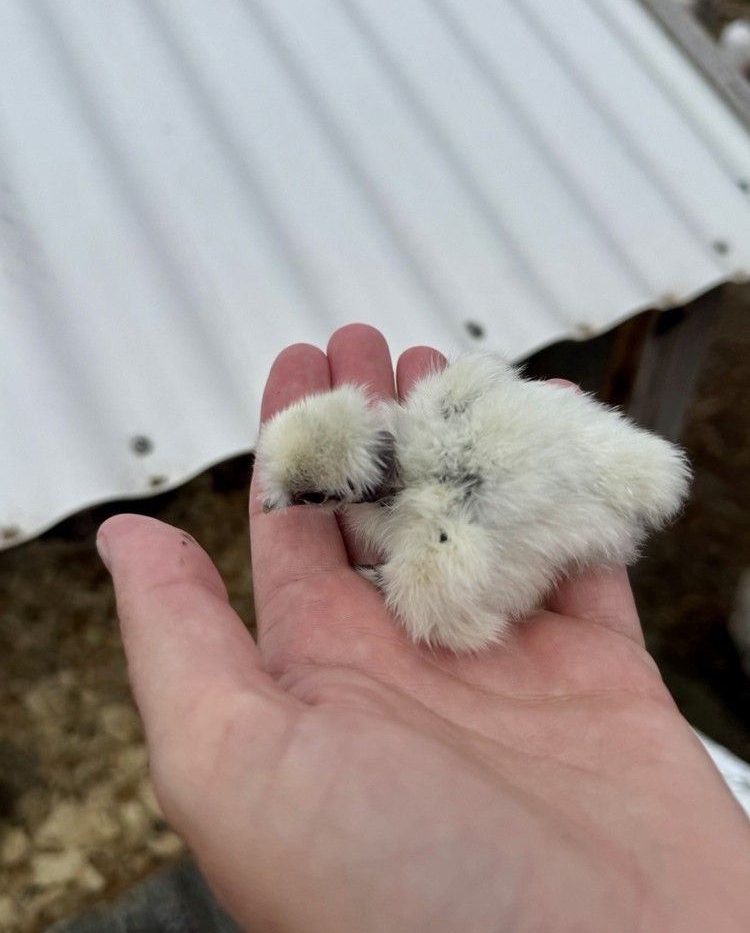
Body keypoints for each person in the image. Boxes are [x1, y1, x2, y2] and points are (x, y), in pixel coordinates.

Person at [97, 325, 750, 932]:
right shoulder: (445, 393)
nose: (281, 508)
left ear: (352, 485)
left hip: (564, 485)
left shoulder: (434, 554)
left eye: (310, 498)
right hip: (598, 454)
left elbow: (464, 629)